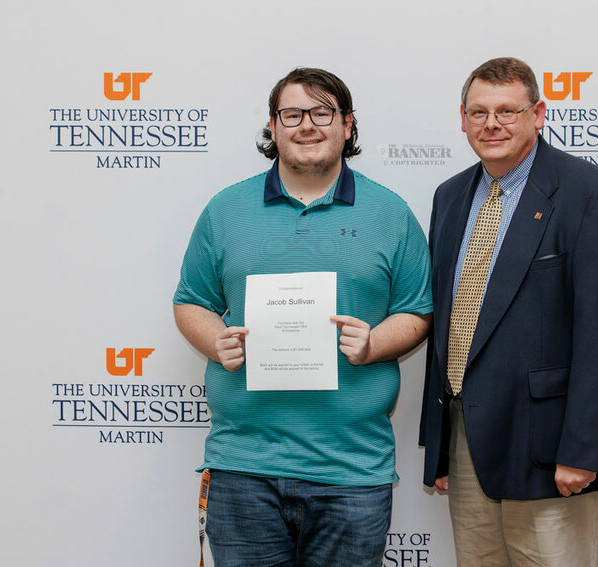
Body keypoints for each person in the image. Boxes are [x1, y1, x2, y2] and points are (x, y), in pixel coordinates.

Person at [174, 67, 432, 567]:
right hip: (243, 467)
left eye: (322, 112)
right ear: (273, 127)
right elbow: (190, 301)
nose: (306, 125)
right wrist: (214, 341)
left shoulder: (390, 212)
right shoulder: (226, 210)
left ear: (348, 125)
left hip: (352, 471)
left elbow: (418, 310)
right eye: (292, 114)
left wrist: (375, 343)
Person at [419, 57, 598, 566]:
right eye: (478, 112)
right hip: (469, 446)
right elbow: (450, 325)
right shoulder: (450, 197)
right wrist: (442, 446)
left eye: (506, 111)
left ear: (538, 114)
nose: (491, 124)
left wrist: (582, 450)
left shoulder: (589, 194)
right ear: (462, 119)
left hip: (553, 453)